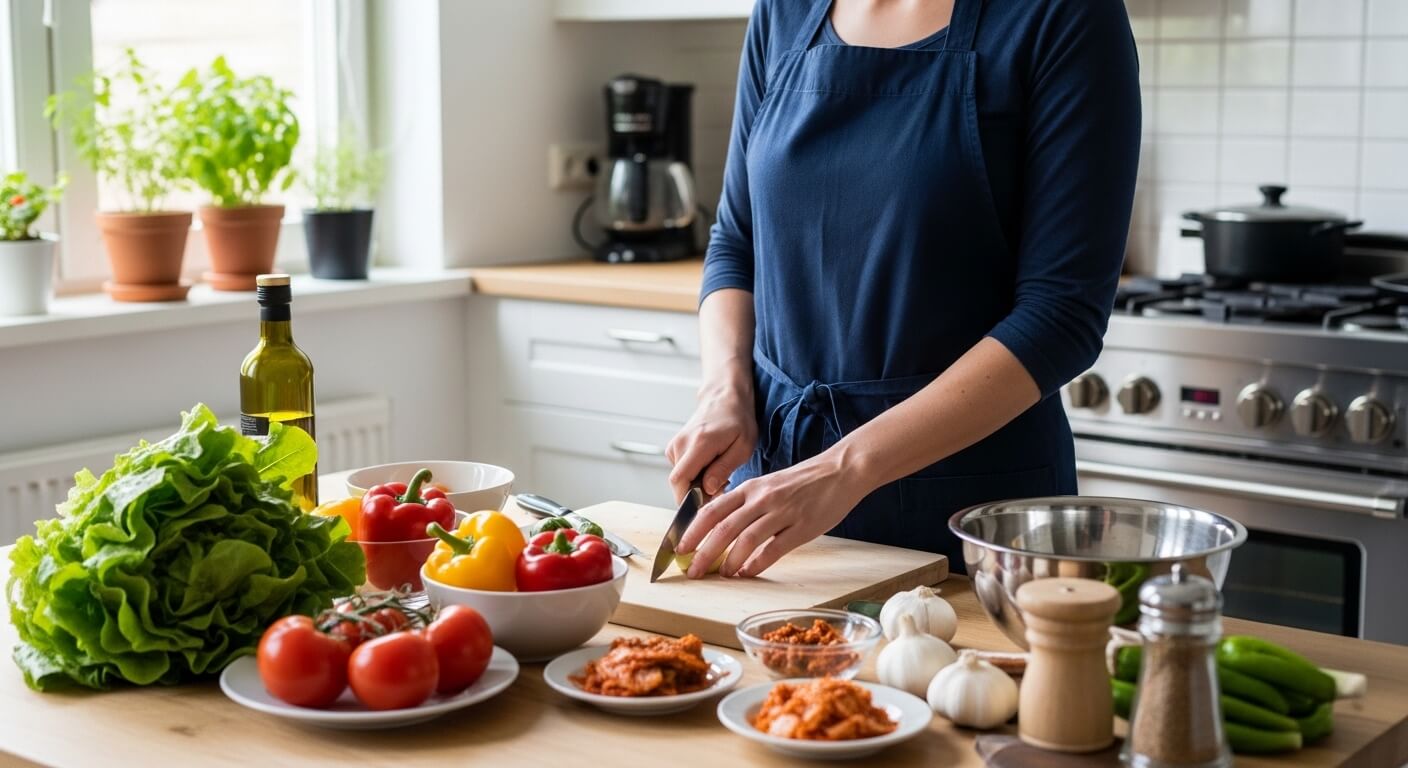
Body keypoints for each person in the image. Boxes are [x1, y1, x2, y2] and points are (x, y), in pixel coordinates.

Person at [664, 0, 1141, 578]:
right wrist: (724, 388)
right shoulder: (784, 11)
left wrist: (843, 469)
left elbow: (1061, 315)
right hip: (771, 498)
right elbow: (737, 242)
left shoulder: (1063, 16)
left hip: (968, 518)